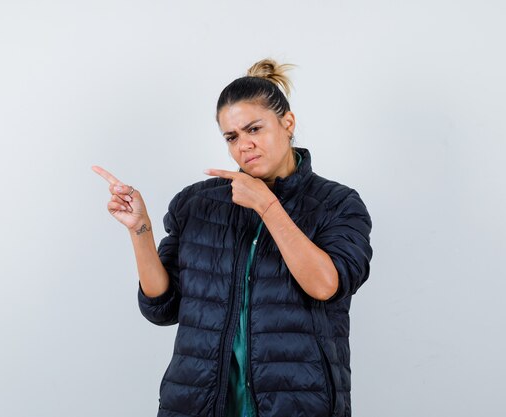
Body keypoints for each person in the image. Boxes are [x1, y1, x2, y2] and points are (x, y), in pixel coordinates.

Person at [92, 58, 373, 417]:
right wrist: (140, 229)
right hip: (197, 403)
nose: (244, 145)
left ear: (287, 123)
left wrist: (268, 207)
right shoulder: (197, 204)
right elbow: (162, 307)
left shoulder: (337, 204)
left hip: (297, 404)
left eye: (254, 129)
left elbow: (325, 285)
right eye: (232, 137)